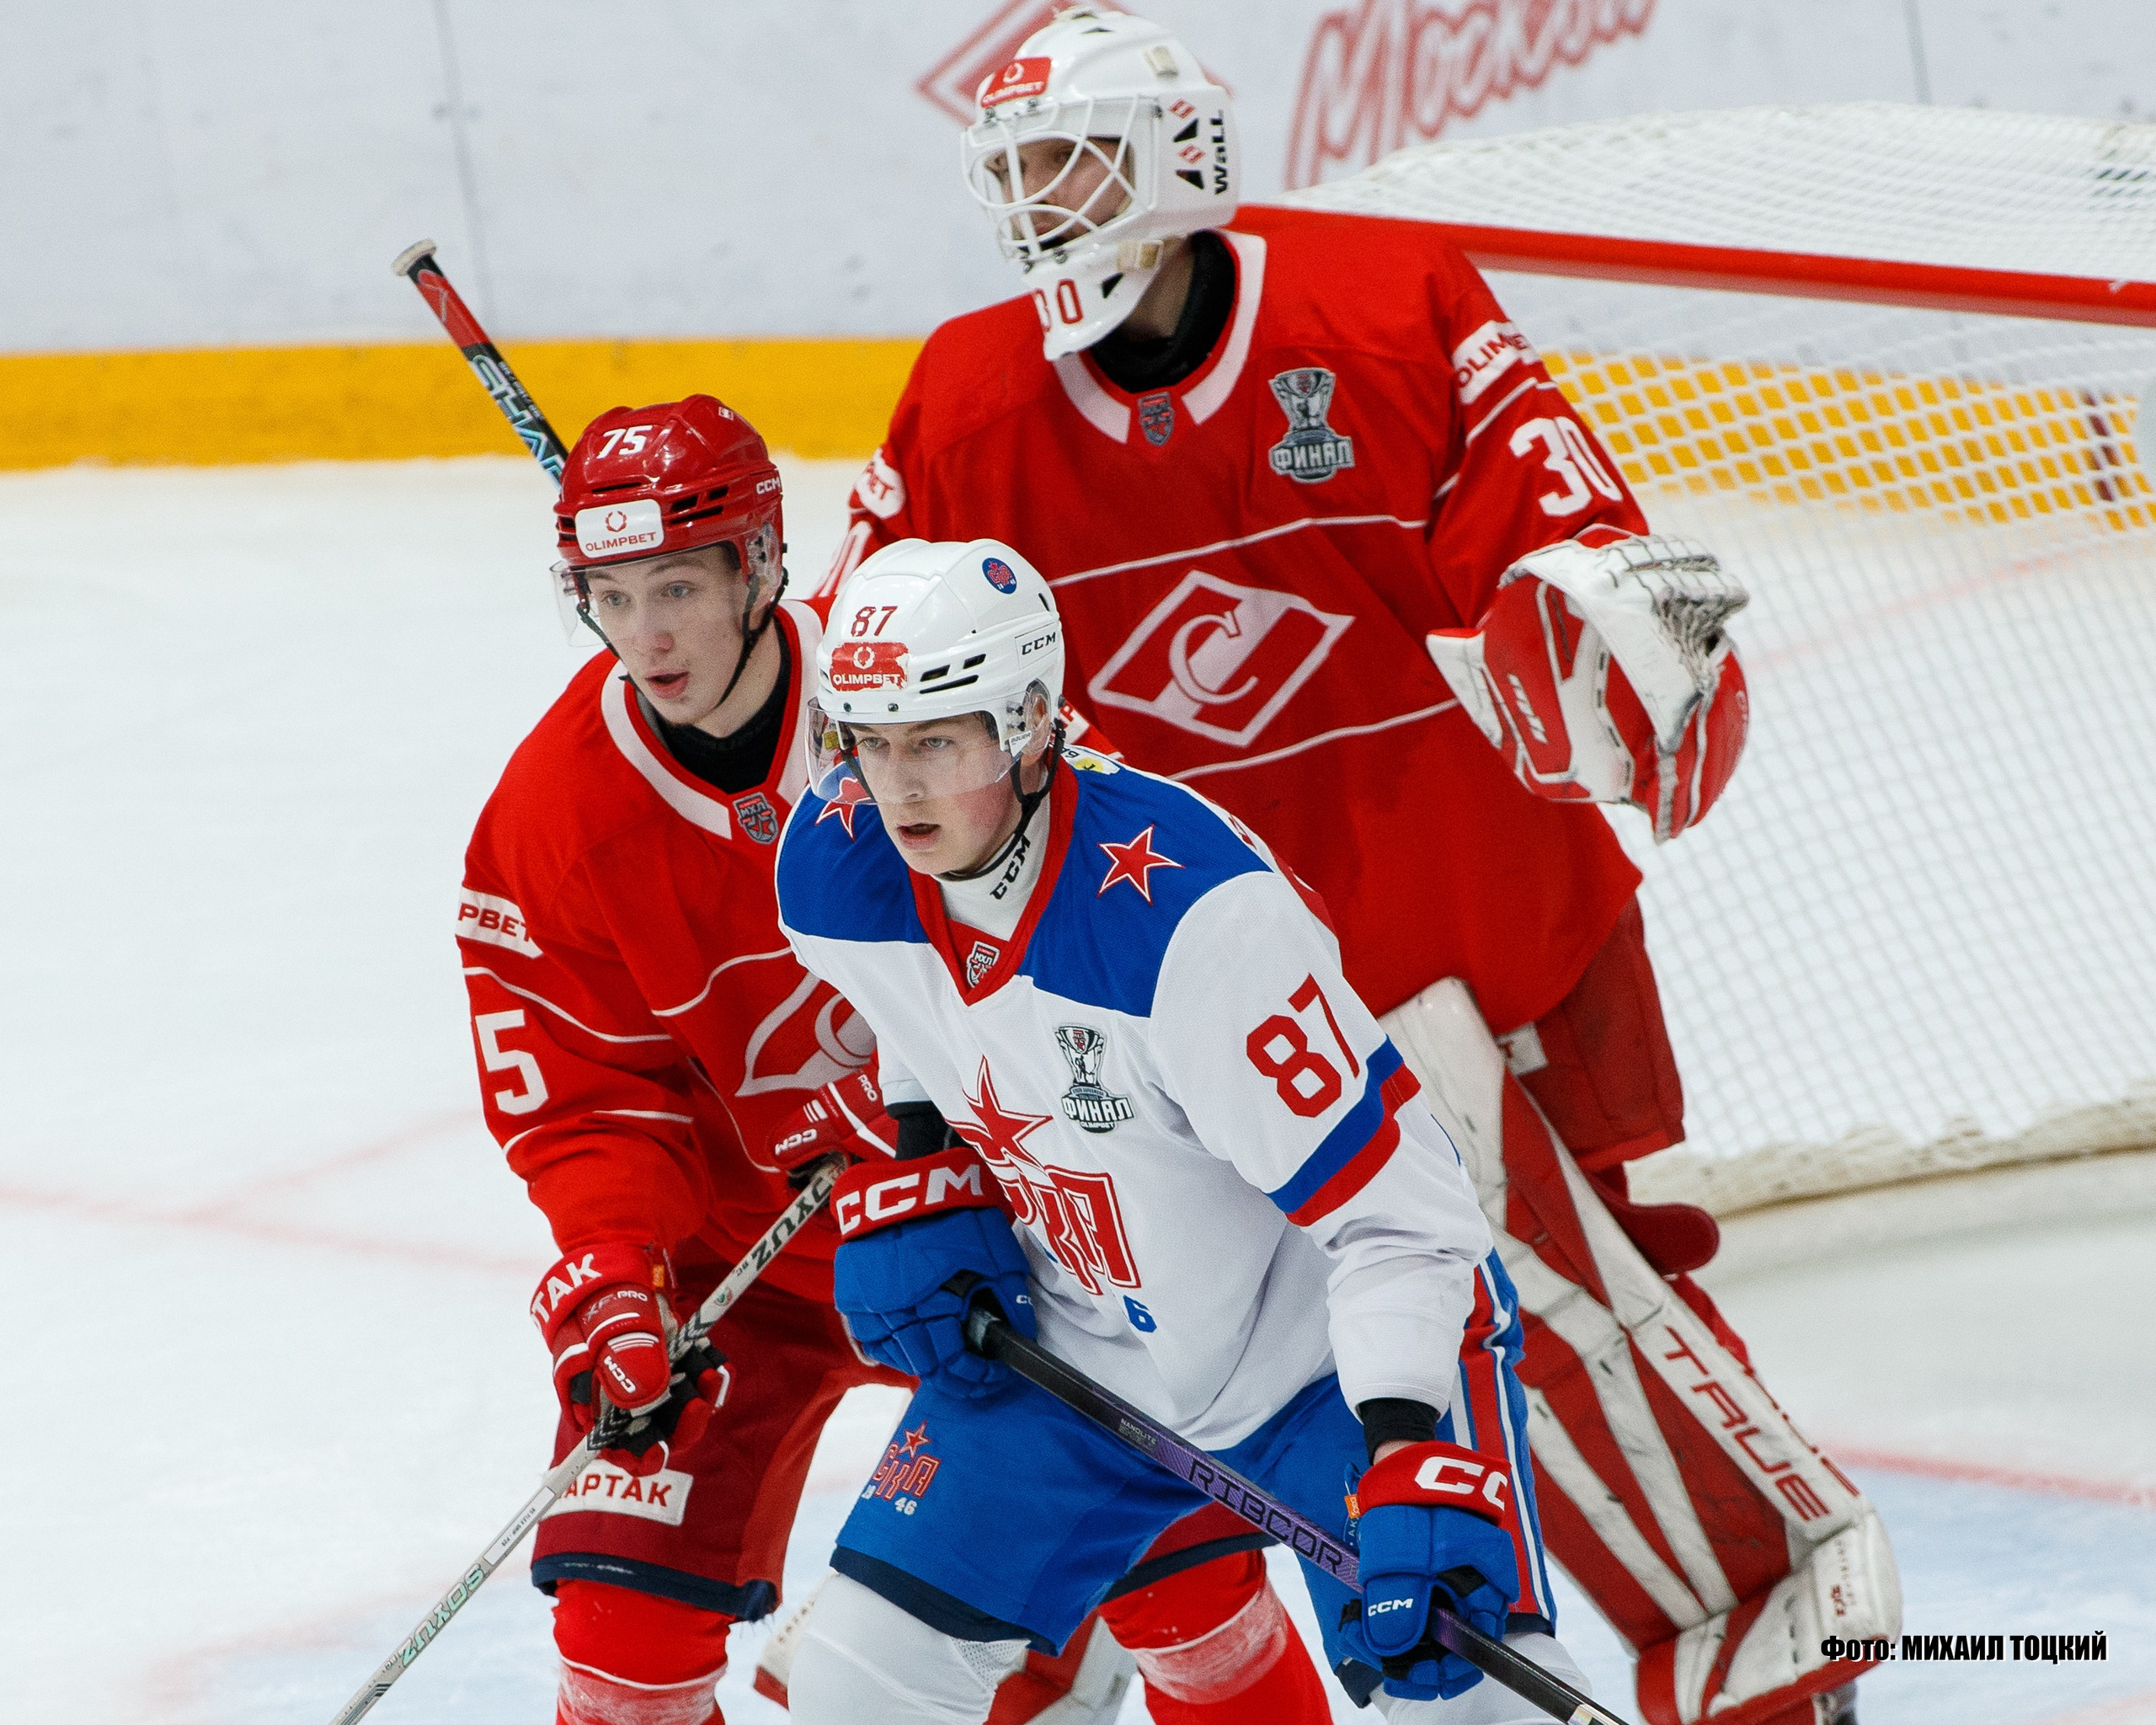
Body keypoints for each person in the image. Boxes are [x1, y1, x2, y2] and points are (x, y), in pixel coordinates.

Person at [824, 11, 1899, 1725]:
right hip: (1158, 1008)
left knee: (1559, 1318)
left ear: (1179, 163)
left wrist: (1604, 628)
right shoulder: (966, 401)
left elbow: (1555, 543)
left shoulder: (1381, 306)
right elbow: (865, 720)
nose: (1035, 208)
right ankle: (1080, 1651)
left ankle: (1754, 1648)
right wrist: (911, 1132)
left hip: (1464, 940)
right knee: (1125, 1320)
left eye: (1066, 163)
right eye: (1010, 173)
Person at [456, 393, 1326, 1725]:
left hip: (1013, 1229)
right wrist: (617, 1283)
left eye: (678, 586)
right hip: (746, 1268)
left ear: (759, 567)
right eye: (613, 595)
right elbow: (584, 1100)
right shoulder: (548, 819)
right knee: (619, 1646)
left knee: (1191, 1597)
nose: (648, 636)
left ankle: (1056, 1631)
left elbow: (1088, 914)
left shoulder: (915, 692)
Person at [771, 535, 1590, 1724]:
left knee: (1462, 1703)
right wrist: (930, 1156)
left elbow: (1405, 1223)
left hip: (1322, 1362)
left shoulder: (1193, 924)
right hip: (1080, 1343)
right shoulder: (838, 868)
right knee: (857, 1686)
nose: (895, 788)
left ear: (1034, 720)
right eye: (872, 741)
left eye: (937, 741)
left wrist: (1409, 1439)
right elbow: (923, 1008)